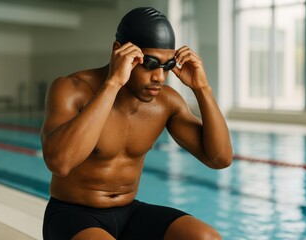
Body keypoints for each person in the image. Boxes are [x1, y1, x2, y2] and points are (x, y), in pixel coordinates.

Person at [41, 7, 233, 240]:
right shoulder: (71, 89)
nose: (159, 77)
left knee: (206, 238)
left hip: (129, 212)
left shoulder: (166, 103)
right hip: (72, 216)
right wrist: (113, 83)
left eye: (167, 66)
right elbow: (59, 163)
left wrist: (202, 88)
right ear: (118, 52)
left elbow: (220, 158)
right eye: (150, 64)